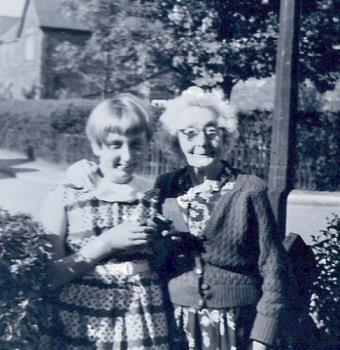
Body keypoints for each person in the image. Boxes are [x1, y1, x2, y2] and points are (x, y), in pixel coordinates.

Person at [64, 87, 291, 350]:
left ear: (225, 136)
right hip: (173, 322)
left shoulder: (250, 189)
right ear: (175, 141)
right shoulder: (161, 187)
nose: (201, 142)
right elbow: (123, 191)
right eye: (189, 133)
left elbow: (274, 268)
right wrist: (84, 168)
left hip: (236, 323)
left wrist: (262, 336)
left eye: (211, 131)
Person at [39, 94, 171, 350]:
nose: (127, 155)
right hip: (82, 319)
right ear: (97, 146)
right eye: (115, 144)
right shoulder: (66, 194)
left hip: (142, 316)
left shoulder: (152, 193)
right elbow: (49, 276)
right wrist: (107, 243)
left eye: (136, 144)